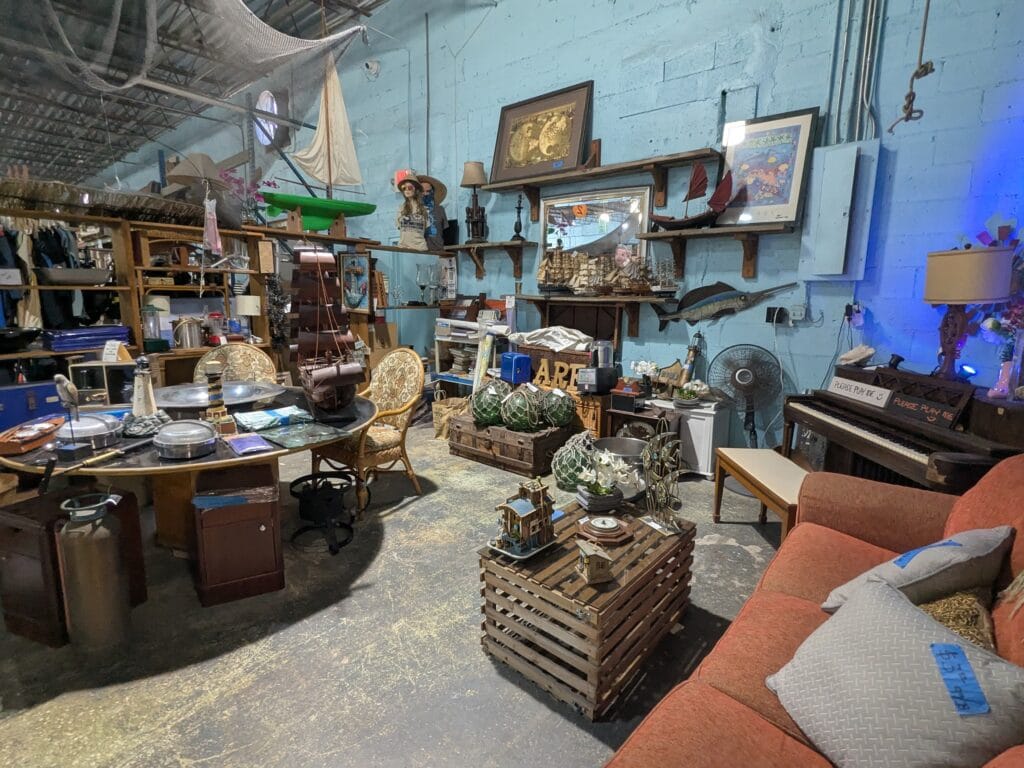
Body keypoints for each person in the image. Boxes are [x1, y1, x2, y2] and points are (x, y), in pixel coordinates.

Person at [396, 173, 428, 250]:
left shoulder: (424, 209)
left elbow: (427, 227)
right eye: (404, 188)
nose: (406, 190)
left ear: (416, 190)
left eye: (410, 187)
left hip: (420, 248)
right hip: (403, 247)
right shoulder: (401, 208)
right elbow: (398, 226)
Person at [418, 174, 449, 252]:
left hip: (438, 250)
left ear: (432, 192)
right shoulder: (414, 210)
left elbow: (445, 232)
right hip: (420, 251)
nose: (425, 194)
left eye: (428, 191)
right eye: (422, 191)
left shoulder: (440, 209)